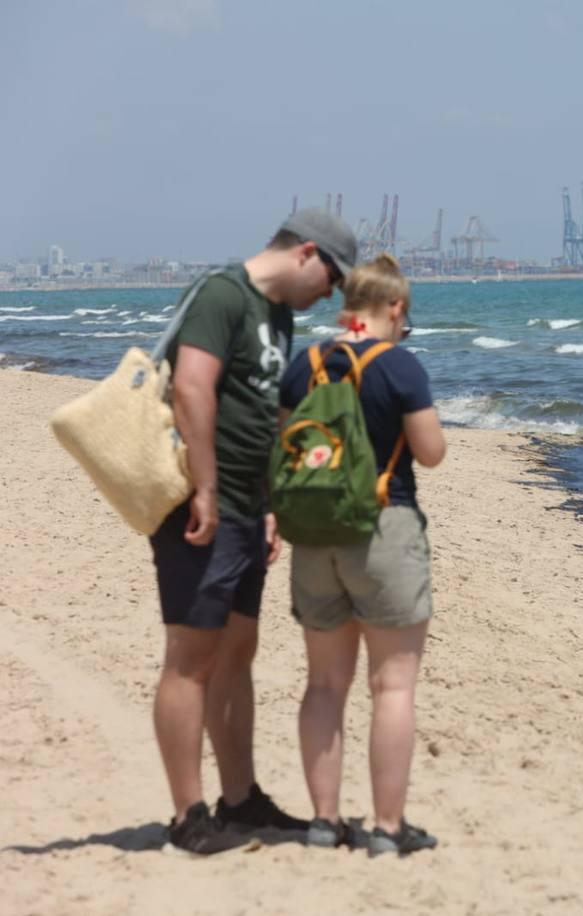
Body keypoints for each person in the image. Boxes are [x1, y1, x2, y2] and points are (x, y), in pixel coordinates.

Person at [151, 209, 357, 855]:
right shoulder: (222, 294)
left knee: (237, 653)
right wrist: (207, 488)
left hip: (245, 506)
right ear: (308, 253)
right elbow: (192, 388)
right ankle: (188, 815)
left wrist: (268, 502)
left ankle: (239, 801)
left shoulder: (279, 317)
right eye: (333, 278)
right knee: (191, 659)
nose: (331, 294)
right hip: (199, 502)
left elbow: (266, 414)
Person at [278, 253, 447, 857]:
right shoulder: (399, 365)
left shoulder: (307, 366)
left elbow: (285, 446)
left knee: (324, 684)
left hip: (315, 535)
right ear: (395, 307)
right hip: (382, 529)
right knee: (392, 686)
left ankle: (324, 823)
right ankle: (387, 828)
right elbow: (430, 453)